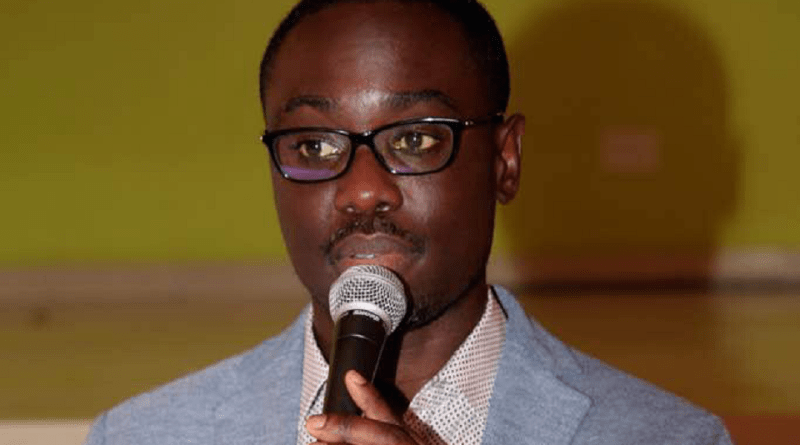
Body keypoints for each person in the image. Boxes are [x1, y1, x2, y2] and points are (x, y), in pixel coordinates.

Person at [84, 0, 733, 444]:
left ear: (504, 160)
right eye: (315, 145)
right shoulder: (142, 434)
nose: (363, 191)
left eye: (416, 139)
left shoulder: (668, 437)